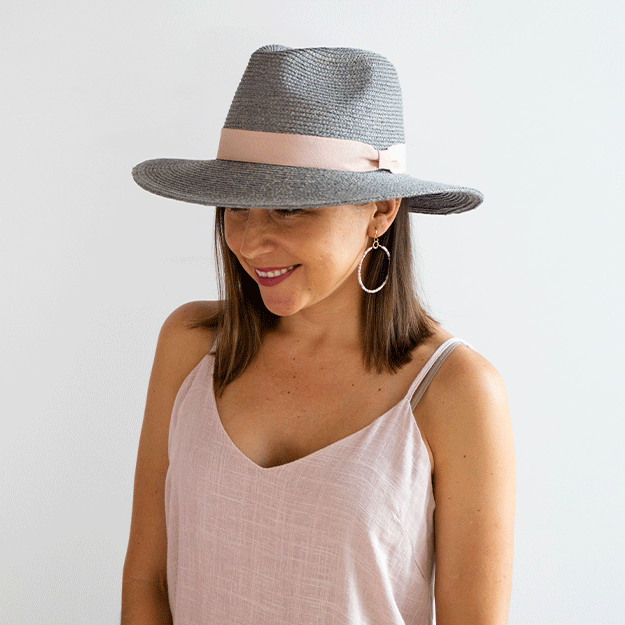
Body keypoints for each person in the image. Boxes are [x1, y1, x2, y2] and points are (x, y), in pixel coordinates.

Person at [121, 45, 516, 625]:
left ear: (381, 210)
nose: (249, 241)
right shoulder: (193, 345)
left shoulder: (455, 390)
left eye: (290, 209)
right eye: (237, 206)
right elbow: (147, 580)